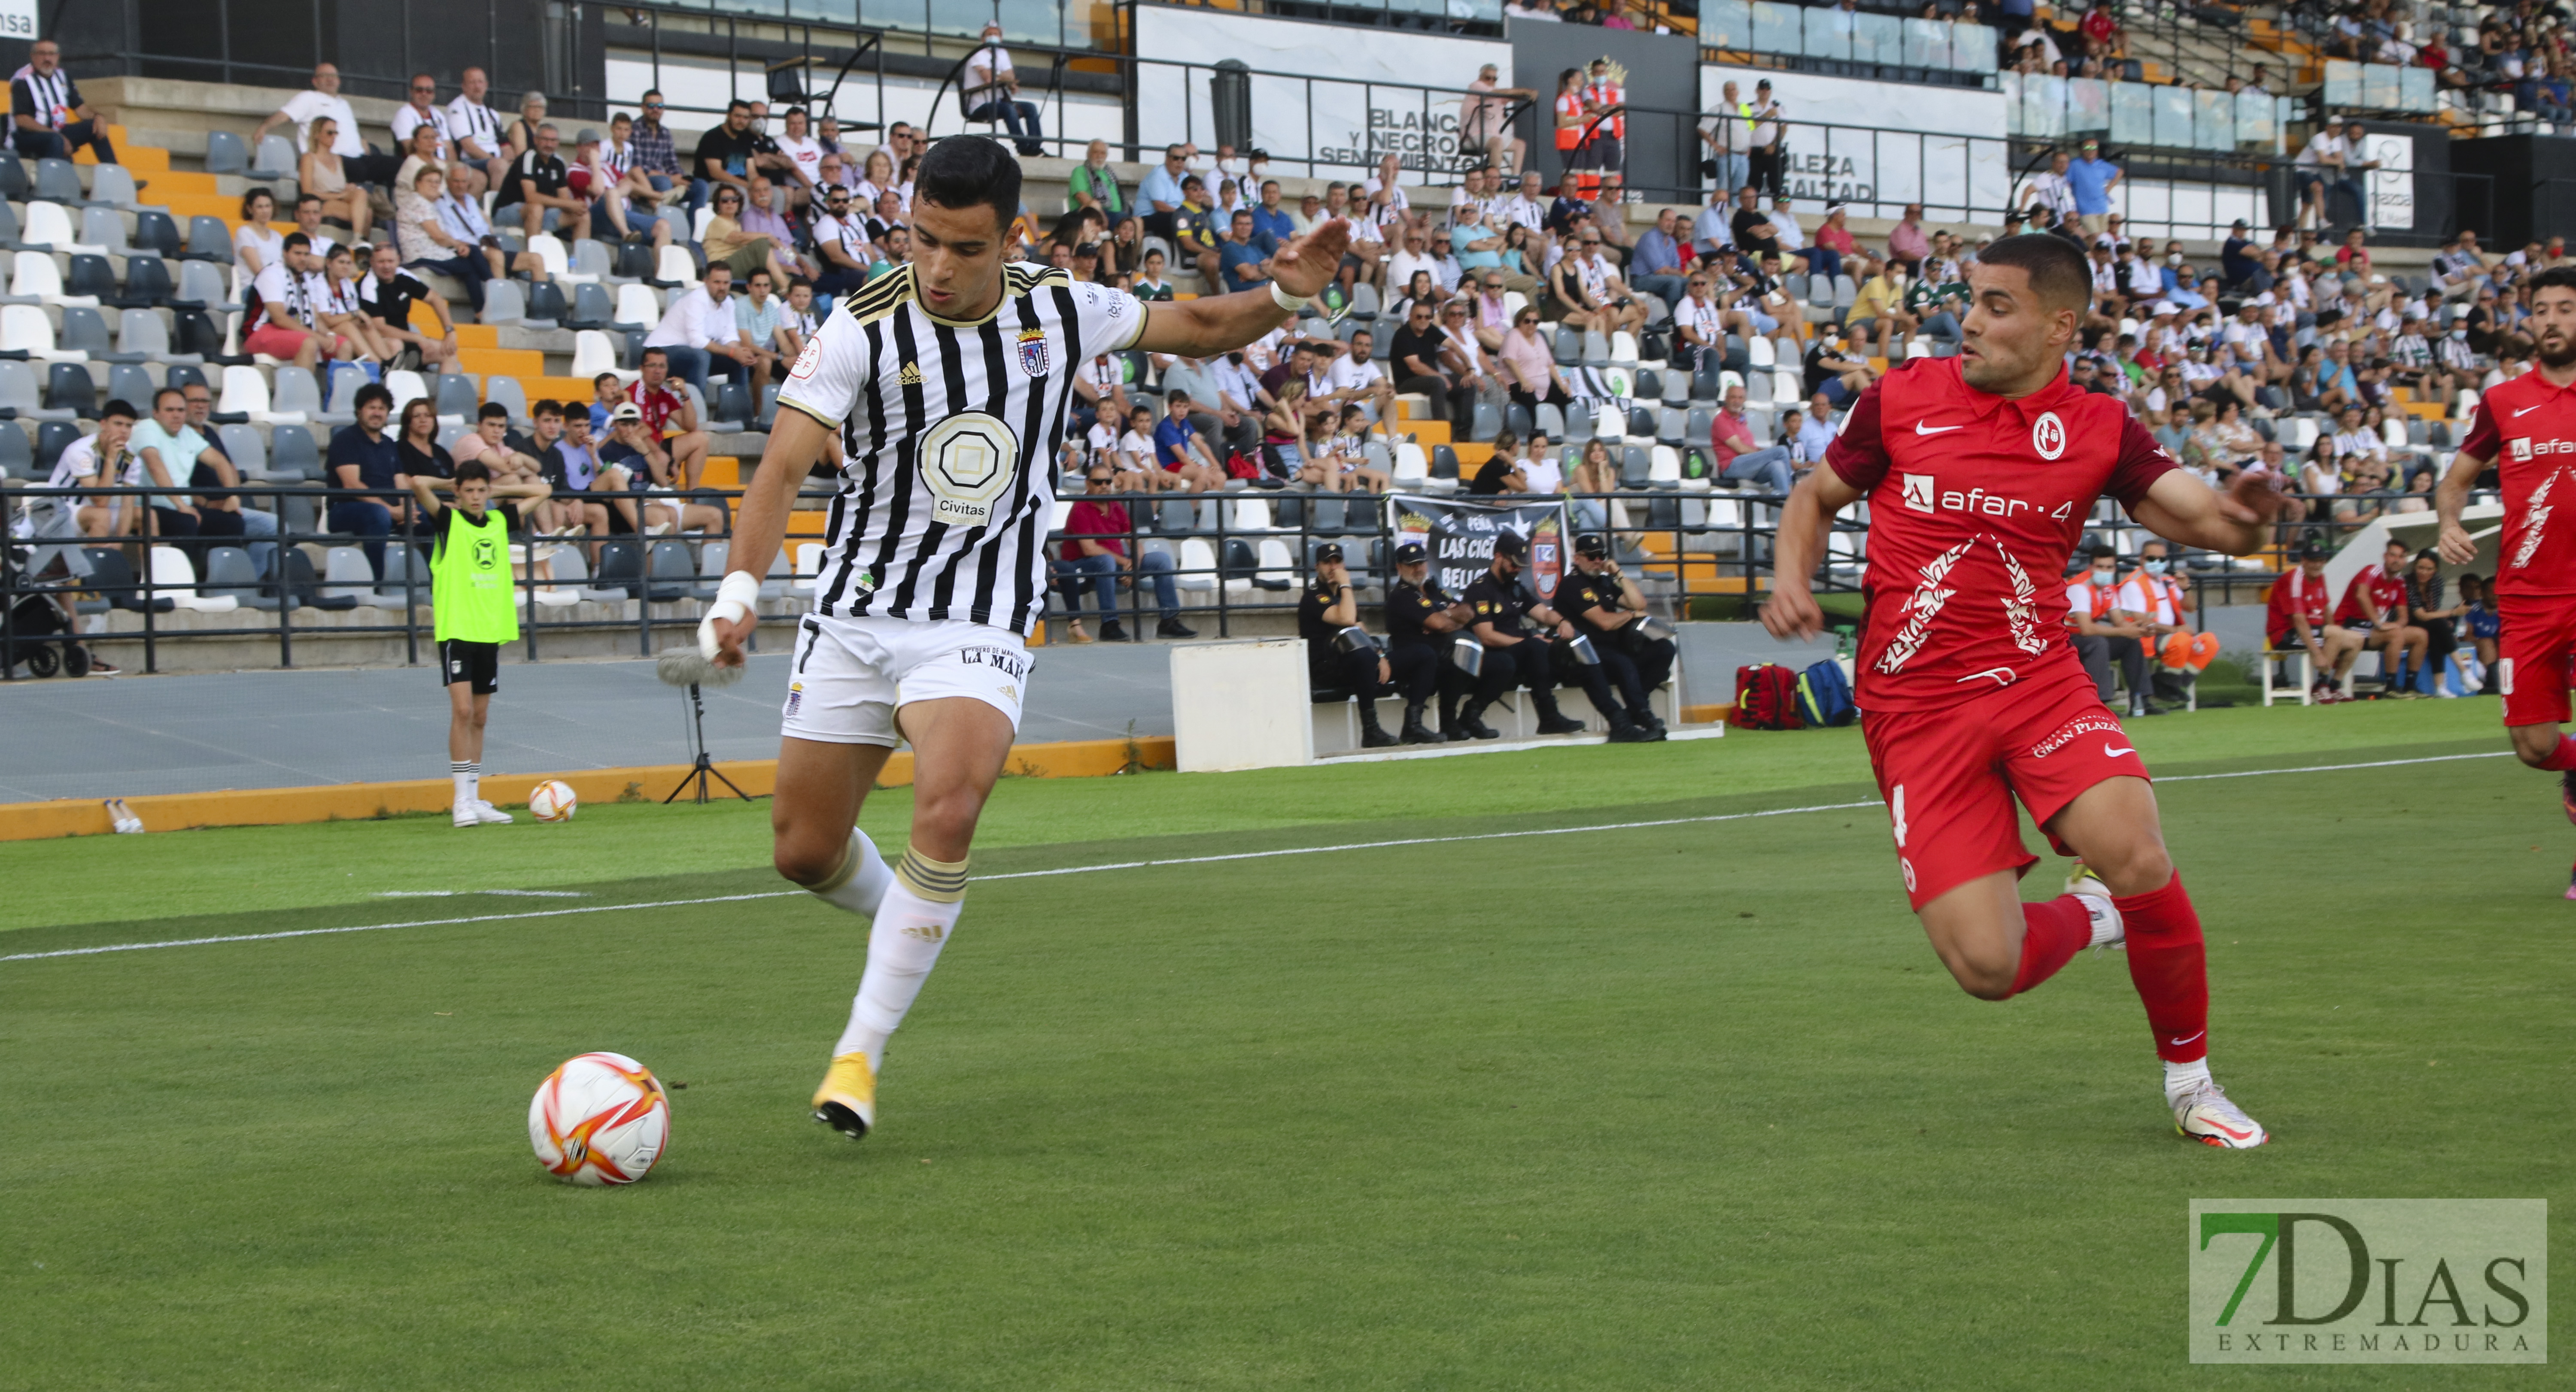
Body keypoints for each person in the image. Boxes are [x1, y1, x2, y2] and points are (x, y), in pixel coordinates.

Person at [699, 134, 1351, 1141]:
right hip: (856, 614)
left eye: (965, 247)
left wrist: (1289, 295)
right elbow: (779, 470)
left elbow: (1209, 323)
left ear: (1016, 237)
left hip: (980, 615)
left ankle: (858, 1056)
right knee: (802, 849)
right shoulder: (861, 326)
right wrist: (739, 590)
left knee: (950, 806)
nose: (939, 269)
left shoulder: (1061, 305)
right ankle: (912, 925)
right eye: (923, 241)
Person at [1759, 233, 2288, 1148]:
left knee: (2138, 851)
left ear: (2058, 326)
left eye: (1996, 305)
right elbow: (1813, 498)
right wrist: (1788, 576)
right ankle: (2091, 916)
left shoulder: (2099, 428)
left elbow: (2207, 518)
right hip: (1916, 711)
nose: (1968, 319)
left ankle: (2192, 1082)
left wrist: (2244, 520)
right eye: (1971, 299)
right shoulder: (1901, 400)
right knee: (1988, 966)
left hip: (2038, 681)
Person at [2435, 266, 2576, 887]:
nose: (2552, 320)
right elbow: (2456, 481)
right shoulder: (2504, 400)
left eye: (2566, 309)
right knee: (2534, 745)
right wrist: (2447, 524)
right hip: (2526, 597)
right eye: (2542, 309)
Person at [406, 459, 550, 828]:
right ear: (458, 492)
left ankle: (474, 796)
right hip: (458, 629)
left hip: (489, 630)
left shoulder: (500, 521)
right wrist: (450, 483)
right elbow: (418, 482)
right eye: (468, 491)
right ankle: (460, 801)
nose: (475, 497)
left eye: (480, 490)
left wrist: (497, 490)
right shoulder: (449, 522)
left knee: (481, 717)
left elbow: (544, 490)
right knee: (463, 712)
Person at [1456, 532, 1598, 740]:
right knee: (1535, 647)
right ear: (1499, 558)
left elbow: (1542, 612)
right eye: (1513, 564)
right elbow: (1486, 636)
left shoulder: (1515, 588)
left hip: (1519, 650)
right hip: (1493, 652)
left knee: (1560, 645)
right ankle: (1547, 715)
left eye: (1521, 566)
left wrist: (1562, 622)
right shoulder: (1481, 590)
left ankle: (1569, 710)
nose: (1517, 570)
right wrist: (1526, 642)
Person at [1055, 465, 1191, 642]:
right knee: (1105, 561)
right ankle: (1109, 625)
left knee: (1161, 560)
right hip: (1082, 565)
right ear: (1088, 484)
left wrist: (1133, 565)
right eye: (1098, 482)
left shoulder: (1116, 506)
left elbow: (1134, 541)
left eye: (1108, 482)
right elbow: (1089, 549)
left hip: (1116, 563)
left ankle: (1169, 621)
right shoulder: (1081, 508)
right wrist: (1123, 563)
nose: (1104, 486)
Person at [1560, 532, 1671, 739]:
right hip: (1588, 653)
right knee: (1623, 662)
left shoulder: (1604, 583)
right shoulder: (1572, 584)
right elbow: (1603, 622)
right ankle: (1638, 714)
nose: (1597, 561)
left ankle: (1636, 711)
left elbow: (1639, 604)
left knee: (1664, 649)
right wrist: (1630, 615)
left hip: (1614, 648)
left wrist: (1619, 573)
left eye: (1601, 556)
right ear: (1578, 559)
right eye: (1591, 557)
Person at [1300, 543, 1397, 747]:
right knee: (1363, 658)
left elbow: (1360, 630)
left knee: (1419, 656)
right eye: (1328, 563)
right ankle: (1371, 730)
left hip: (1349, 661)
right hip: (1324, 668)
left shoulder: (1343, 598)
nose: (1334, 568)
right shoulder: (1313, 597)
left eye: (1338, 562)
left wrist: (1380, 656)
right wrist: (1346, 585)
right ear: (1318, 567)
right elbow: (1346, 619)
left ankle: (1417, 724)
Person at [2266, 539, 2365, 702]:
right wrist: (2318, 653)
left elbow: (2326, 610)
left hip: (2311, 630)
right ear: (2303, 561)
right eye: (2313, 561)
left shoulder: (2320, 578)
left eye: (2321, 561)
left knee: (2357, 639)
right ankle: (2321, 686)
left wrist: (2338, 638)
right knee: (2334, 633)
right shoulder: (2295, 579)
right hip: (2284, 633)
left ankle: (2334, 686)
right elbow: (2299, 620)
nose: (2318, 565)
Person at [2065, 542, 2155, 714]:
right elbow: (2086, 629)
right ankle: (2100, 703)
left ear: (2115, 569)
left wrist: (2140, 629)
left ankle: (2141, 699)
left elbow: (2120, 623)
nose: (2105, 571)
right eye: (2100, 567)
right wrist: (2124, 631)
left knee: (2130, 642)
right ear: (2091, 567)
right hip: (2067, 642)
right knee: (2098, 643)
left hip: (2086, 640)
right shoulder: (2079, 588)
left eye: (2109, 567)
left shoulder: (2108, 590)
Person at [326, 384, 407, 577]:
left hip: (389, 509)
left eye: (382, 409)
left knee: (429, 515)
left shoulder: (389, 444)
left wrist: (407, 508)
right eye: (372, 407)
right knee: (378, 515)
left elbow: (401, 479)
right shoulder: (345, 439)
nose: (377, 413)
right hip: (346, 509)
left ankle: (433, 584)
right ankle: (377, 583)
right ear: (359, 411)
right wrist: (392, 511)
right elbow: (352, 485)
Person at [2335, 536, 2428, 692]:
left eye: (2401, 557)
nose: (2396, 560)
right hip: (2350, 626)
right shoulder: (2372, 571)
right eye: (2393, 555)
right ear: (2385, 557)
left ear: (2406, 561)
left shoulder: (2399, 582)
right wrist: (2380, 623)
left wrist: (2395, 625)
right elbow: (2361, 596)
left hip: (2371, 630)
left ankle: (2410, 688)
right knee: (2395, 635)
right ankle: (2391, 688)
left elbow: (2404, 617)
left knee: (2421, 635)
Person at [12, 39, 116, 164]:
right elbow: (22, 120)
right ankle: (52, 179)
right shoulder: (23, 80)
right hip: (27, 136)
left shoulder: (63, 77)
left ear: (58, 57)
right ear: (33, 57)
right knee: (55, 140)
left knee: (94, 127)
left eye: (51, 54)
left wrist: (98, 117)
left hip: (56, 133)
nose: (47, 58)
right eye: (42, 54)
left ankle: (116, 176)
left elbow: (81, 109)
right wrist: (58, 136)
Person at [962, 22, 1046, 156]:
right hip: (979, 105)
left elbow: (1011, 77)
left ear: (1001, 38)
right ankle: (1023, 147)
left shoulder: (1003, 53)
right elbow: (988, 78)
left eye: (996, 34)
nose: (993, 37)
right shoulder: (978, 54)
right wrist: (1003, 77)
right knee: (1008, 109)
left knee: (1031, 108)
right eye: (990, 34)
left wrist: (1001, 78)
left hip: (999, 102)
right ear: (983, 39)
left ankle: (1035, 147)